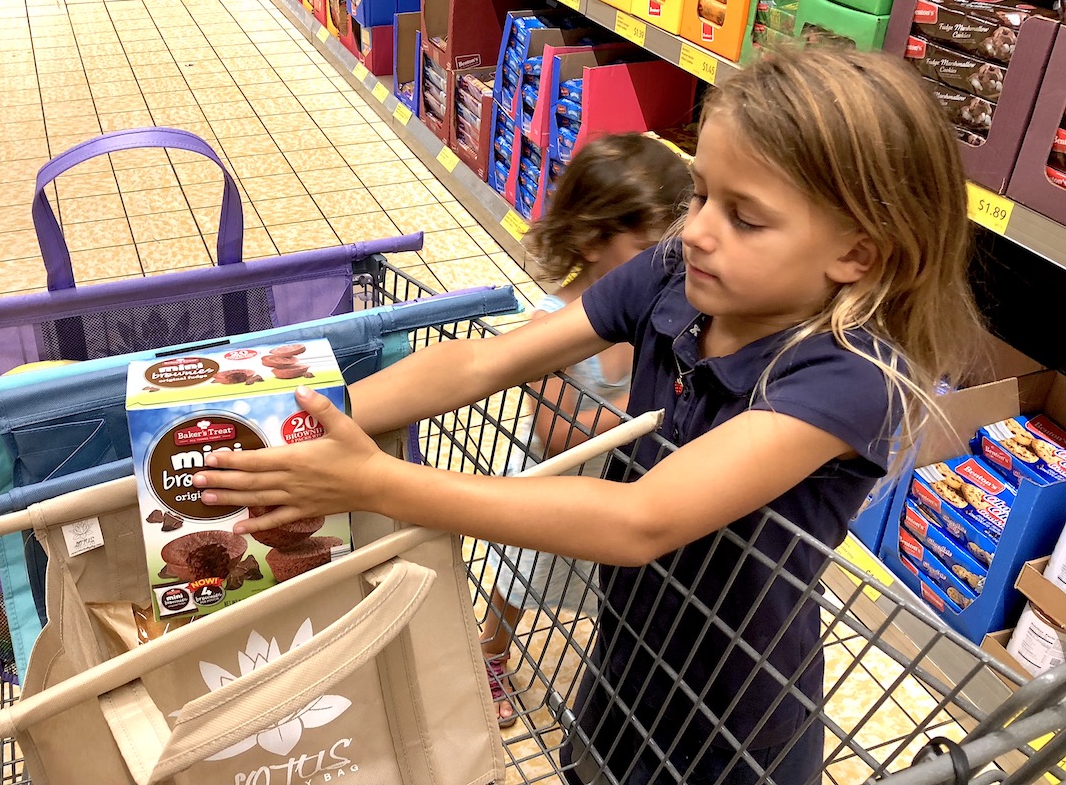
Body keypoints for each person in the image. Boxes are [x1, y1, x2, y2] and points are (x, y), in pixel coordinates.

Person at [192, 47, 982, 785]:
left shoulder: (849, 377)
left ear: (858, 255)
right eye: (701, 192)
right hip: (626, 660)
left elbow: (641, 518)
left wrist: (372, 482)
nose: (698, 228)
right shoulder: (675, 275)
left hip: (737, 720)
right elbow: (485, 361)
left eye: (746, 217)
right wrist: (296, 430)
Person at [477, 133, 690, 729]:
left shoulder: (664, 310)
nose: (669, 263)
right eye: (651, 248)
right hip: (555, 489)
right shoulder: (553, 323)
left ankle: (608, 684)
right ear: (593, 238)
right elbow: (556, 430)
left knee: (612, 595)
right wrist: (650, 403)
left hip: (621, 493)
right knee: (521, 581)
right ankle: (490, 655)